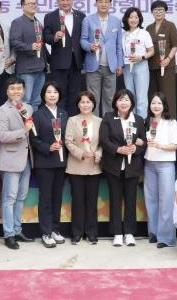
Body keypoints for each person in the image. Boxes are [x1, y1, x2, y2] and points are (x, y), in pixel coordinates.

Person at [99, 89, 147, 247]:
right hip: (113, 165)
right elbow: (104, 140)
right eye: (120, 100)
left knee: (131, 200)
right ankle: (117, 233)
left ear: (131, 102)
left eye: (126, 99)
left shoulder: (138, 120)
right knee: (115, 199)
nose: (123, 102)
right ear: (115, 102)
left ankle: (129, 232)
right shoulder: (108, 117)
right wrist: (118, 149)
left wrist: (136, 148)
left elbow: (143, 141)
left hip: (132, 167)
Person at [0, 76, 35, 249]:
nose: (16, 91)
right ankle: (8, 234)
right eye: (12, 88)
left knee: (21, 197)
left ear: (24, 90)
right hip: (10, 159)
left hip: (26, 159)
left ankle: (17, 230)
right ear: (7, 91)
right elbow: (1, 136)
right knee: (9, 198)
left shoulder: (28, 108)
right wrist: (23, 131)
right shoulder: (2, 111)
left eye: (19, 88)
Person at [30, 81, 68, 248]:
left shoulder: (64, 114)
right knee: (45, 198)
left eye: (55, 92)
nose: (52, 95)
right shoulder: (38, 115)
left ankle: (55, 229)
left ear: (59, 95)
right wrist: (48, 147)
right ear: (43, 95)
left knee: (57, 198)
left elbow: (68, 136)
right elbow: (34, 139)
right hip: (45, 162)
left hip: (61, 162)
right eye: (49, 92)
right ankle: (46, 232)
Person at [64, 91, 103, 244]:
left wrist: (99, 153)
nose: (85, 105)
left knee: (92, 202)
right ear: (78, 104)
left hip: (94, 166)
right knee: (78, 201)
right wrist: (81, 153)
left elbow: (103, 143)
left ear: (93, 104)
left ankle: (92, 233)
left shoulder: (100, 121)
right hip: (76, 166)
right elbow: (68, 142)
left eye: (88, 102)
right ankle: (77, 233)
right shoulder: (72, 120)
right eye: (82, 102)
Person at [144, 92, 177, 248]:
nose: (156, 106)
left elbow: (174, 145)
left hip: (166, 164)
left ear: (164, 105)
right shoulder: (147, 121)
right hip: (149, 164)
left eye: (159, 103)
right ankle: (153, 232)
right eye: (153, 103)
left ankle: (166, 238)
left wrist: (159, 145)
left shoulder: (171, 122)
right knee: (151, 199)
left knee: (166, 201)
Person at [43, 0, 85, 115]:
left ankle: (71, 121)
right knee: (59, 94)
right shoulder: (50, 17)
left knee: (74, 95)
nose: (65, 2)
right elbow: (46, 37)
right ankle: (59, 121)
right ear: (57, 1)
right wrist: (54, 37)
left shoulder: (80, 16)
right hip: (59, 62)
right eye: (62, 0)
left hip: (76, 62)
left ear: (73, 0)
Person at [80, 0, 123, 117]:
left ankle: (107, 124)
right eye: (100, 1)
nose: (103, 4)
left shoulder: (116, 21)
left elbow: (118, 45)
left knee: (110, 99)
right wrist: (90, 46)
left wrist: (119, 64)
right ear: (96, 3)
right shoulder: (88, 20)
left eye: (106, 2)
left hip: (111, 66)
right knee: (93, 99)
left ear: (110, 4)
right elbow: (83, 40)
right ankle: (93, 125)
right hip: (93, 65)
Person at [9, 0, 47, 110]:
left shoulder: (38, 23)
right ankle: (23, 122)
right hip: (26, 69)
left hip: (40, 68)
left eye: (34, 3)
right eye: (29, 3)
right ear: (23, 6)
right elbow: (14, 42)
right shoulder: (17, 22)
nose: (33, 5)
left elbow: (42, 45)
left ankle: (33, 122)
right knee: (25, 100)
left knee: (36, 101)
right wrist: (30, 46)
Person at [146, 0, 177, 113]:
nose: (158, 12)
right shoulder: (149, 28)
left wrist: (168, 58)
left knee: (167, 95)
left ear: (165, 12)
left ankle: (170, 119)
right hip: (151, 66)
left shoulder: (170, 26)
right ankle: (154, 120)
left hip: (166, 66)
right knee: (153, 95)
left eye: (161, 10)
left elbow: (175, 45)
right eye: (155, 10)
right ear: (152, 12)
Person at [121, 7, 154, 118]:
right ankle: (131, 120)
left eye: (136, 17)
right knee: (129, 95)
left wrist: (142, 57)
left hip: (141, 66)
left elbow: (151, 51)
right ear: (126, 19)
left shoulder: (144, 33)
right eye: (131, 17)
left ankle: (141, 122)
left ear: (139, 19)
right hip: (127, 67)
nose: (133, 20)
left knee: (141, 97)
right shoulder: (123, 35)